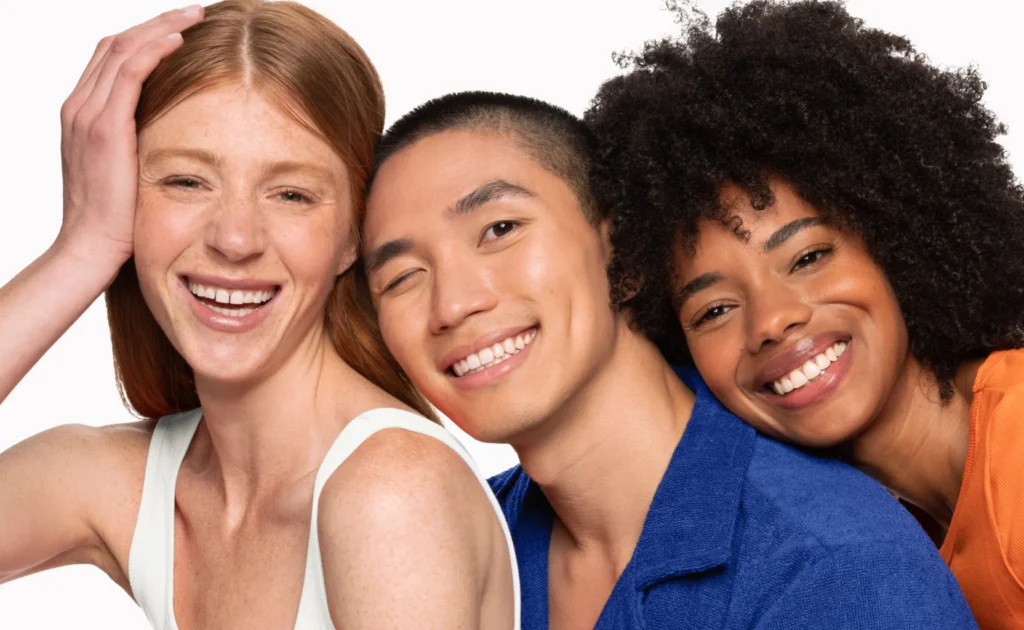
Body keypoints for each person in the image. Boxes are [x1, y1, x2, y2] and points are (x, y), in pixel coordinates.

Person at [360, 90, 977, 628]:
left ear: (621, 251)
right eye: (403, 277)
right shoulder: (439, 540)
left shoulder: (833, 564)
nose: (453, 305)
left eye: (500, 230)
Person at [0, 2, 518, 628]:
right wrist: (81, 248)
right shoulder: (126, 483)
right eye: (186, 182)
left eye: (292, 194)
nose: (236, 239)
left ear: (352, 235)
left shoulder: (392, 493)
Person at [584, 0, 1024, 627]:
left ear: (896, 238)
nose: (770, 320)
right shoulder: (864, 535)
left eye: (808, 255)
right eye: (713, 310)